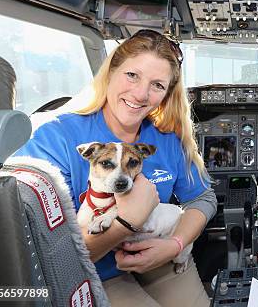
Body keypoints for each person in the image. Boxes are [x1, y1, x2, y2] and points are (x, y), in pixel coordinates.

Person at [15, 30, 216, 307]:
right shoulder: (56, 138)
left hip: (162, 252)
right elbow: (45, 254)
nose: (140, 93)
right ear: (110, 71)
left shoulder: (167, 140)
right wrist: (125, 222)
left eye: (157, 85)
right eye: (132, 75)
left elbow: (202, 198)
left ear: (167, 94)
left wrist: (175, 245)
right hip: (95, 270)